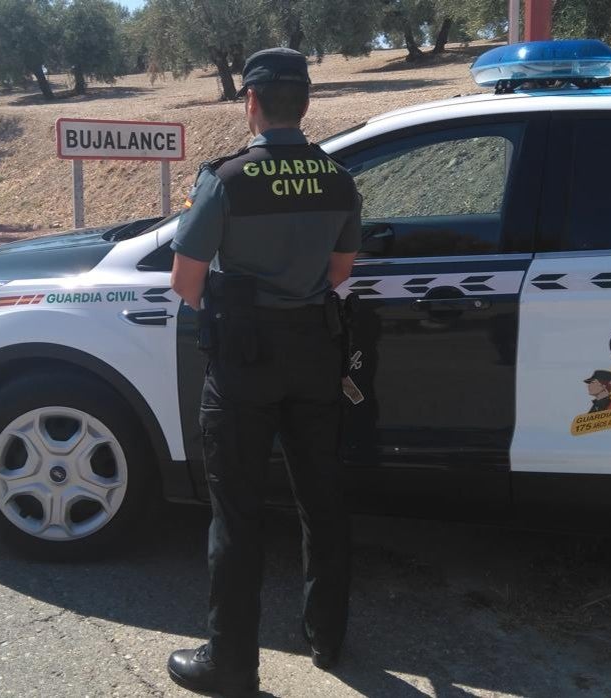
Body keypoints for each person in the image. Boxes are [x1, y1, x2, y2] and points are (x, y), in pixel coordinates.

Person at [165, 47, 363, 697]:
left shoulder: (227, 179)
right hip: (314, 353)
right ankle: (327, 638)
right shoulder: (338, 179)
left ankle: (232, 667)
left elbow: (186, 284)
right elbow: (340, 276)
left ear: (250, 102)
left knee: (237, 515)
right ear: (304, 104)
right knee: (323, 503)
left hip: (245, 363)